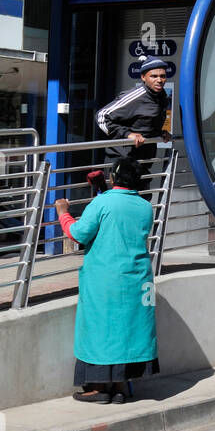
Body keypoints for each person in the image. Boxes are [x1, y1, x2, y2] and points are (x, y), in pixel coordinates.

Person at [54, 158, 159, 403]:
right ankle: (121, 387)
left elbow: (78, 234)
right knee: (131, 329)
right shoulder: (145, 207)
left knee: (100, 328)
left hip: (106, 278)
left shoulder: (102, 202)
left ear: (114, 178)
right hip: (138, 278)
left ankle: (99, 388)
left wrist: (63, 213)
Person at [92, 57, 172, 192]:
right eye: (154, 76)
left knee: (142, 200)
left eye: (162, 76)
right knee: (120, 206)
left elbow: (144, 122)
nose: (159, 80)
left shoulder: (162, 97)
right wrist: (127, 134)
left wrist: (160, 133)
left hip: (142, 162)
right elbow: (101, 116)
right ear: (143, 77)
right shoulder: (136, 96)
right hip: (121, 161)